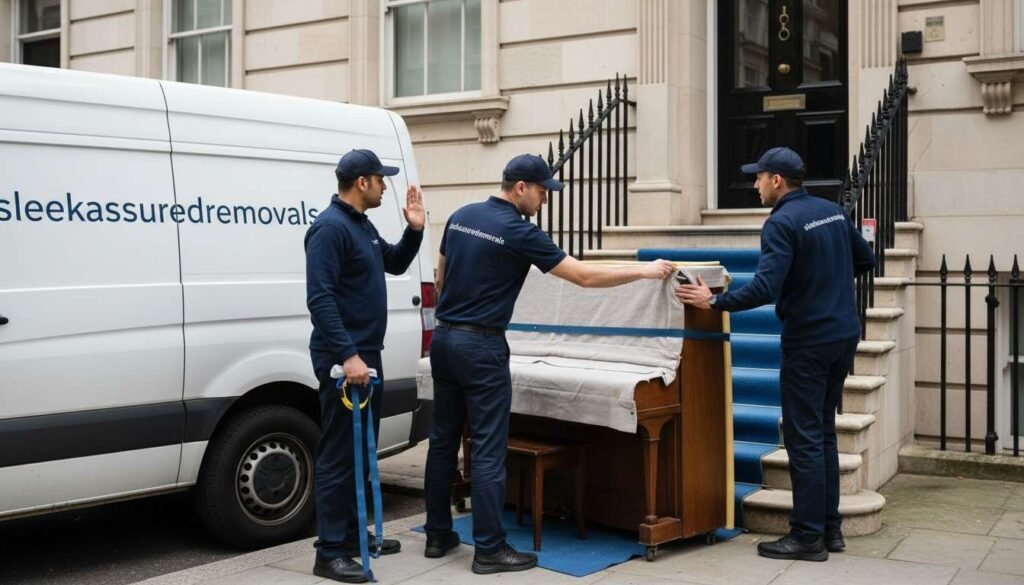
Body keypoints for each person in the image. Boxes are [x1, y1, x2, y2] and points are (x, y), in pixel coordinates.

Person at [422, 153, 675, 574]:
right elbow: (583, 277)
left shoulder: (461, 215)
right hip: (481, 345)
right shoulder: (519, 231)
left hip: (446, 339)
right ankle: (489, 549)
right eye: (542, 192)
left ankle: (437, 534)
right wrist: (645, 272)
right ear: (520, 188)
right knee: (487, 449)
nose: (544, 201)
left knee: (444, 439)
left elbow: (442, 272)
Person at [675, 147, 875, 562]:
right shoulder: (831, 211)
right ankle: (830, 528)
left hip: (809, 340)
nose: (755, 184)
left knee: (803, 438)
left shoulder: (781, 222)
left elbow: (764, 287)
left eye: (759, 177)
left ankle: (806, 537)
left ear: (777, 181)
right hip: (843, 334)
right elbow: (865, 258)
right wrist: (823, 281)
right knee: (821, 431)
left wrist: (713, 302)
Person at [305, 148, 425, 583]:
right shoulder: (330, 228)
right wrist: (348, 354)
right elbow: (320, 299)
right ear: (362, 182)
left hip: (364, 357)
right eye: (380, 179)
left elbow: (392, 262)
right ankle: (329, 551)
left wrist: (414, 232)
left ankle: (355, 539)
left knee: (360, 451)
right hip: (345, 362)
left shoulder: (360, 224)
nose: (384, 186)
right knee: (339, 455)